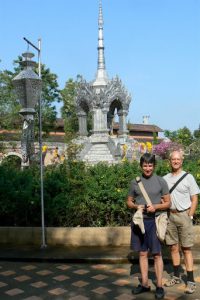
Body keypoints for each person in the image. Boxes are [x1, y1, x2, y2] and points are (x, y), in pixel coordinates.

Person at [126, 153, 170, 299]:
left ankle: (159, 286)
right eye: (145, 165)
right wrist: (137, 206)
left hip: (155, 221)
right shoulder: (135, 182)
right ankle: (145, 283)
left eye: (150, 165)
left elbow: (168, 203)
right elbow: (129, 202)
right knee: (143, 253)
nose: (147, 168)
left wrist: (155, 207)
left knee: (157, 255)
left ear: (154, 166)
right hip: (140, 222)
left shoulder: (161, 181)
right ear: (141, 166)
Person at [163, 150, 200, 294]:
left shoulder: (188, 177)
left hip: (184, 215)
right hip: (170, 216)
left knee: (186, 249)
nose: (176, 161)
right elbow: (162, 198)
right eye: (173, 159)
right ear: (170, 161)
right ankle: (177, 276)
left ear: (182, 161)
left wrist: (190, 215)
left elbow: (195, 198)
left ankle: (191, 281)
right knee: (173, 248)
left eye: (178, 159)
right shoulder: (165, 178)